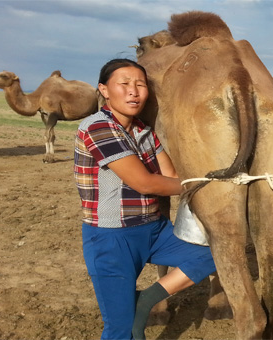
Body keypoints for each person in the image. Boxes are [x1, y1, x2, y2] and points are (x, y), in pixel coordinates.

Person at [74, 58, 216, 340]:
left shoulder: (144, 131)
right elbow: (145, 182)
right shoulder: (96, 127)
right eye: (124, 84)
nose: (133, 91)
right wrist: (210, 185)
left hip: (154, 229)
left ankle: (147, 299)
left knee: (218, 252)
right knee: (121, 330)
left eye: (140, 85)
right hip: (111, 237)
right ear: (104, 89)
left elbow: (172, 174)